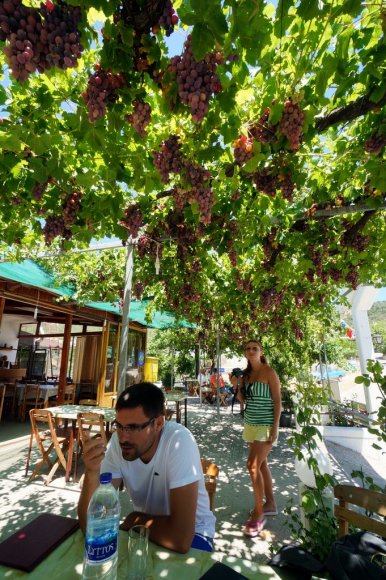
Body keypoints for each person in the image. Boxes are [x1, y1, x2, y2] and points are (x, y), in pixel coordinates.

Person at [77, 382, 216, 554]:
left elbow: (180, 539)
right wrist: (91, 472)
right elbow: (91, 527)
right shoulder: (117, 443)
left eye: (134, 427)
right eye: (119, 426)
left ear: (158, 423)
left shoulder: (179, 441)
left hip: (195, 536)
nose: (123, 437)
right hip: (147, 531)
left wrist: (134, 519)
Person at [230, 339, 281, 537]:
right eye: (248, 348)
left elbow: (277, 401)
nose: (251, 351)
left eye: (255, 348)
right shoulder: (246, 375)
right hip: (250, 424)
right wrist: (236, 385)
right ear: (245, 353)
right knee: (261, 465)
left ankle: (259, 514)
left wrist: (275, 427)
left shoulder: (269, 372)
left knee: (252, 465)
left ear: (260, 351)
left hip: (266, 424)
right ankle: (270, 503)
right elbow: (244, 401)